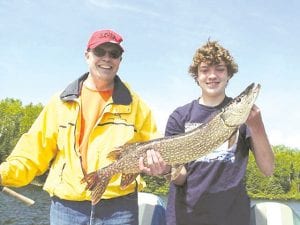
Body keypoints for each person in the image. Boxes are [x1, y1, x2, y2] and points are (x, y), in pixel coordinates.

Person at [0, 29, 167, 225]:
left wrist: (161, 167)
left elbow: (158, 150)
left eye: (113, 54)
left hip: (119, 208)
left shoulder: (136, 105)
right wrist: (4, 174)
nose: (107, 58)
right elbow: (32, 153)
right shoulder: (60, 102)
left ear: (120, 61)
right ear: (87, 55)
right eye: (99, 52)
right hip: (67, 208)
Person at [164, 40, 275, 225]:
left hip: (232, 218)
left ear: (229, 74)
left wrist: (257, 126)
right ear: (197, 76)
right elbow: (180, 177)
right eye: (205, 69)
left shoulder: (246, 119)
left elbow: (268, 169)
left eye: (220, 69)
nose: (212, 75)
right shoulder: (180, 116)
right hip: (186, 217)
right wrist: (167, 169)